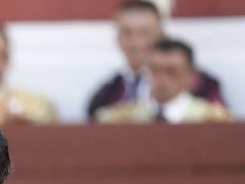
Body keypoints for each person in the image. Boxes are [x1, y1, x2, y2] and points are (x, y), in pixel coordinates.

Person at [86, 0, 227, 121]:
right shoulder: (107, 95)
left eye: (144, 32)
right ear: (117, 38)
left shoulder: (202, 85)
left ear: (161, 33)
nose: (136, 43)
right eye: (127, 33)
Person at [96, 37, 233, 123]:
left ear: (192, 77)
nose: (162, 78)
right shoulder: (120, 119)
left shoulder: (213, 120)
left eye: (171, 72)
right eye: (155, 70)